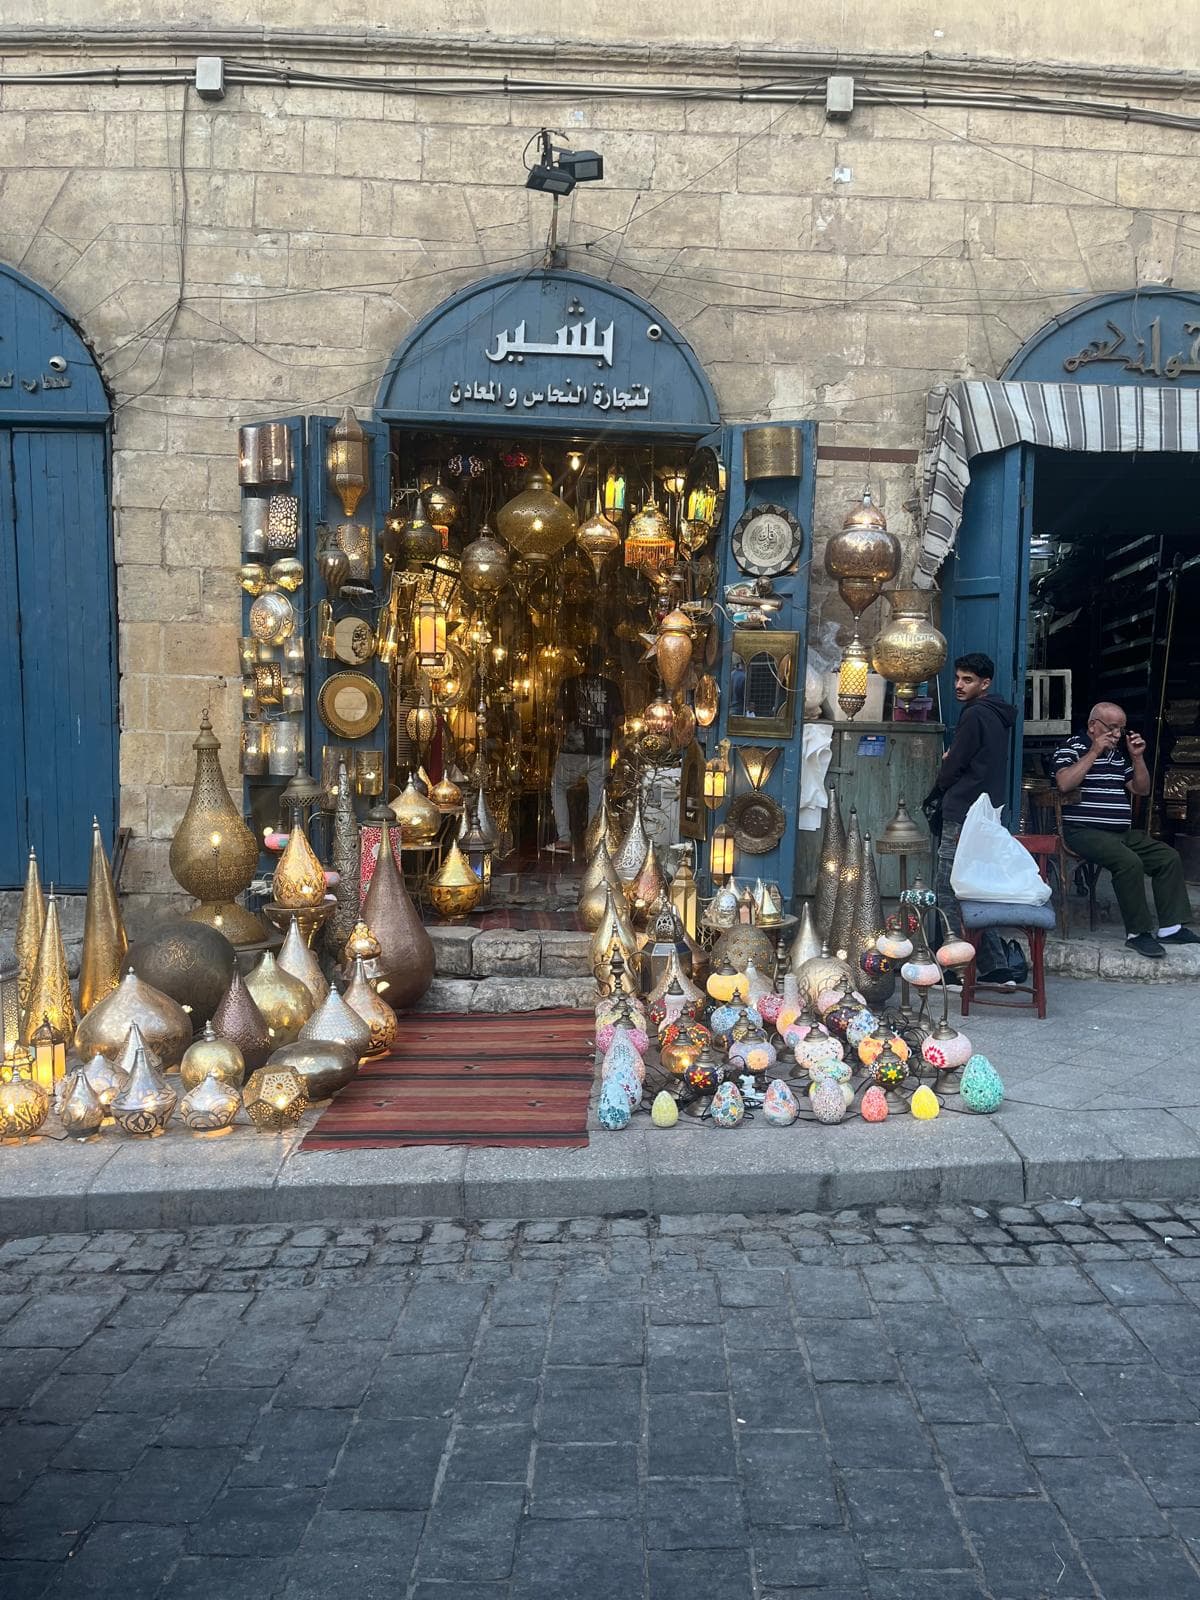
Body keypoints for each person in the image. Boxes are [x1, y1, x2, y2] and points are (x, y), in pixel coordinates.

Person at [1051, 701, 1198, 959]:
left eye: (1122, 729)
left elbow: (1141, 789)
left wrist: (1137, 757)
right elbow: (1064, 783)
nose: (1118, 735)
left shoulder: (1118, 756)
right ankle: (1138, 933)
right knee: (1129, 862)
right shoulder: (1072, 747)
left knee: (1167, 857)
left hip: (1119, 833)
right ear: (1093, 726)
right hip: (1083, 831)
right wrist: (1094, 752)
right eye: (1112, 728)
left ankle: (1171, 927)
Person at [928, 652, 1018, 985]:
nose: (958, 685)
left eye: (967, 680)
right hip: (985, 811)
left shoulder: (975, 714)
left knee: (948, 888)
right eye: (957, 678)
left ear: (985, 683)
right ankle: (996, 967)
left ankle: (953, 967)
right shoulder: (998, 715)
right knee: (976, 888)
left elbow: (956, 766)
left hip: (962, 809)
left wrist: (943, 772)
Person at [549, 651, 623, 854]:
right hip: (601, 749)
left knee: (558, 787)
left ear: (584, 662)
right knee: (596, 797)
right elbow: (620, 721)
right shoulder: (611, 687)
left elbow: (559, 716)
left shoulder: (569, 684)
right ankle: (594, 842)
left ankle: (564, 838)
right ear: (601, 664)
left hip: (574, 749)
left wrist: (561, 730)